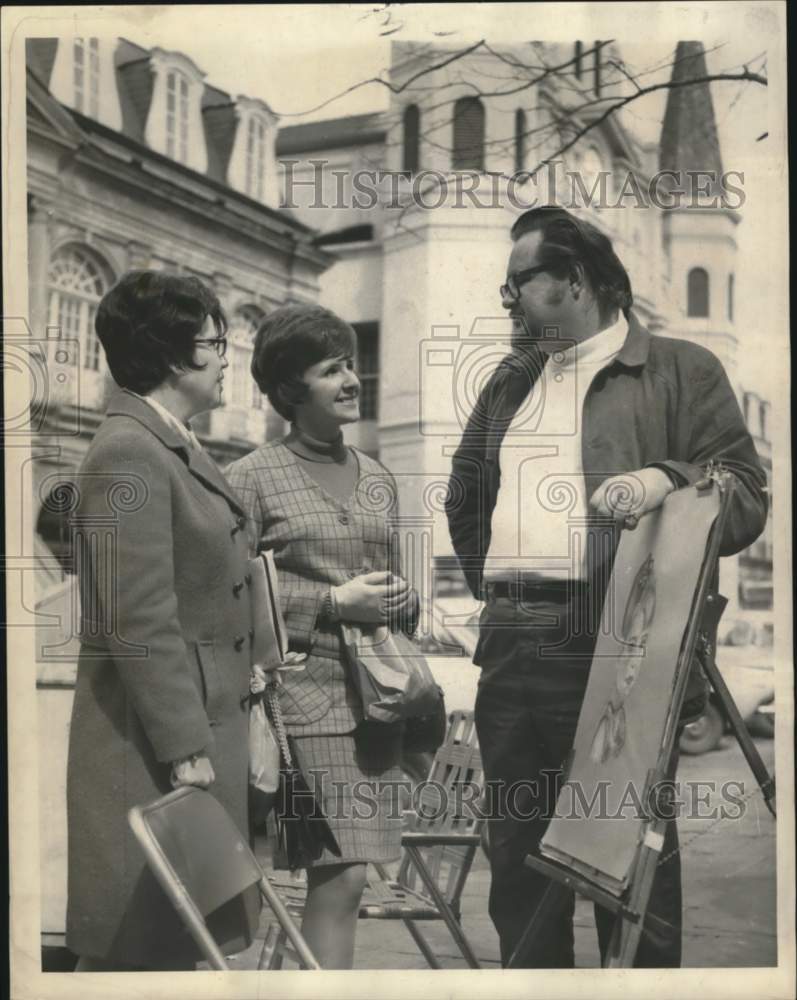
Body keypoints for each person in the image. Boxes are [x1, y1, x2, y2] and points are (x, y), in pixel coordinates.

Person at [445, 206, 768, 968]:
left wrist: (664, 478)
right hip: (513, 642)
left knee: (629, 866)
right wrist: (501, 594)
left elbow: (745, 494)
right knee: (518, 864)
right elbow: (464, 497)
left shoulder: (680, 371)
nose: (508, 302)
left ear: (577, 281)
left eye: (518, 283)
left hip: (617, 643)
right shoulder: (508, 383)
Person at [66, 271, 260, 970]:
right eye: (215, 341)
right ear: (176, 357)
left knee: (174, 946)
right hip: (155, 746)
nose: (226, 357)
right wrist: (184, 746)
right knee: (134, 949)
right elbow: (137, 617)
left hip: (187, 734)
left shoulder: (169, 442)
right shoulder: (129, 448)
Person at [226, 304, 417, 970]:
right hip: (303, 709)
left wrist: (402, 598)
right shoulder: (247, 480)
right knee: (341, 877)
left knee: (342, 878)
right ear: (287, 390)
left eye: (349, 364)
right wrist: (332, 602)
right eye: (329, 368)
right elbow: (230, 600)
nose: (350, 379)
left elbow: (392, 589)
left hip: (378, 706)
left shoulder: (379, 478)